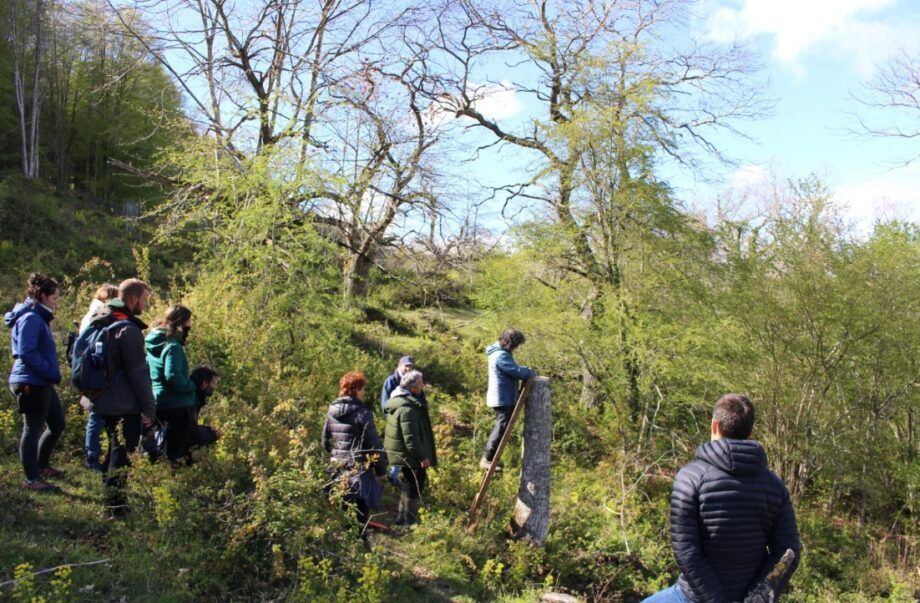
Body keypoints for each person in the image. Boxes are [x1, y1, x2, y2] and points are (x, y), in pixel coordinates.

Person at [643, 394, 802, 603]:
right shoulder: (775, 485)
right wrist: (759, 598)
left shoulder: (690, 477)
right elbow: (788, 550)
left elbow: (686, 551)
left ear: (714, 425)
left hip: (696, 596)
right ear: (750, 431)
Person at [83, 278, 156, 515]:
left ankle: (112, 501)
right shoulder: (128, 329)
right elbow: (138, 373)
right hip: (122, 402)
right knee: (121, 452)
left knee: (113, 448)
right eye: (144, 300)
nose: (145, 305)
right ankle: (115, 508)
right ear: (133, 298)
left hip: (101, 397)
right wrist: (149, 408)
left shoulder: (102, 316)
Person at [5, 273, 66, 492]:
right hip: (31, 380)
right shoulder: (31, 318)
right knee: (32, 428)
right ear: (42, 296)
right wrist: (50, 372)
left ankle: (42, 465)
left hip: (42, 380)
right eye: (54, 299)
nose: (56, 303)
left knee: (57, 423)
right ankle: (32, 479)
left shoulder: (38, 317)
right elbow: (26, 352)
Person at [322, 371, 387, 533]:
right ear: (356, 390)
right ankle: (361, 550)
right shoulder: (363, 413)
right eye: (363, 389)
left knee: (341, 514)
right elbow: (374, 446)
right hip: (358, 472)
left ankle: (345, 551)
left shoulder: (332, 409)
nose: (364, 392)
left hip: (337, 470)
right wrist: (381, 470)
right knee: (359, 518)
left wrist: (336, 454)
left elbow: (324, 441)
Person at [145, 304, 197, 465]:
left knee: (163, 445)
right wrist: (191, 386)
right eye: (189, 321)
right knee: (176, 449)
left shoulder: (153, 343)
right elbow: (172, 375)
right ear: (181, 323)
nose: (190, 326)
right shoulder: (173, 346)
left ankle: (161, 476)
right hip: (177, 404)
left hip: (159, 401)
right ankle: (174, 481)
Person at [384, 370, 437, 525]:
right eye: (421, 383)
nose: (423, 386)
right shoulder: (408, 408)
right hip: (410, 455)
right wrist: (423, 456)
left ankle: (402, 519)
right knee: (414, 487)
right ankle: (410, 522)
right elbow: (411, 439)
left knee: (408, 486)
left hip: (402, 453)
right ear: (413, 387)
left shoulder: (399, 402)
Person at [480, 329, 535, 471]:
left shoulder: (500, 354)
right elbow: (515, 372)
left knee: (502, 427)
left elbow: (515, 369)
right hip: (502, 398)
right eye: (515, 345)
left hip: (503, 397)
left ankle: (490, 458)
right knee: (501, 427)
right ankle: (487, 458)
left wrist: (523, 369)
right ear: (508, 342)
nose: (515, 348)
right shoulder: (500, 356)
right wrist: (530, 372)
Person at [80, 283, 119, 471]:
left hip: (93, 372)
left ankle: (94, 457)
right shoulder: (98, 317)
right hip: (96, 373)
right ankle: (92, 459)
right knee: (96, 416)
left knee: (97, 416)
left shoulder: (94, 315)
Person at [188, 365, 221, 451]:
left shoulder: (193, 398)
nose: (214, 387)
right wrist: (211, 434)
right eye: (213, 383)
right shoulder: (191, 400)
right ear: (204, 383)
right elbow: (189, 430)